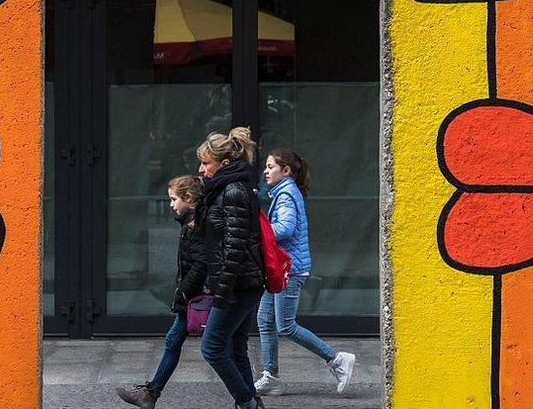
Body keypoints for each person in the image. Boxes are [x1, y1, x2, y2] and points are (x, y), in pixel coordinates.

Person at [255, 149, 356, 396]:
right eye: (266, 167)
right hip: (281, 269)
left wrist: (259, 232)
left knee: (286, 326)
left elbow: (286, 229)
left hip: (290, 270)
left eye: (271, 167)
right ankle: (271, 377)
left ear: (286, 170)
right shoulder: (284, 191)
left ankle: (336, 359)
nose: (266, 171)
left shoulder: (287, 193)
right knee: (264, 319)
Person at [117, 175, 208, 409]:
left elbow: (200, 263)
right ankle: (150, 394)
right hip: (191, 296)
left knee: (220, 351)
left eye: (174, 199)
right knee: (174, 341)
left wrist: (183, 291)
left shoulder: (196, 224)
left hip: (196, 296)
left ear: (188, 198)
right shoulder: (190, 222)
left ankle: (247, 398)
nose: (170, 204)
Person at [195, 127, 267, 409]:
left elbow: (235, 246)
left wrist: (222, 290)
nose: (201, 169)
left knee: (212, 348)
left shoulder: (233, 190)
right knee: (236, 348)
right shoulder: (223, 188)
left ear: (224, 163)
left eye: (206, 163)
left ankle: (245, 401)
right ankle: (251, 403)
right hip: (240, 283)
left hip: (239, 285)